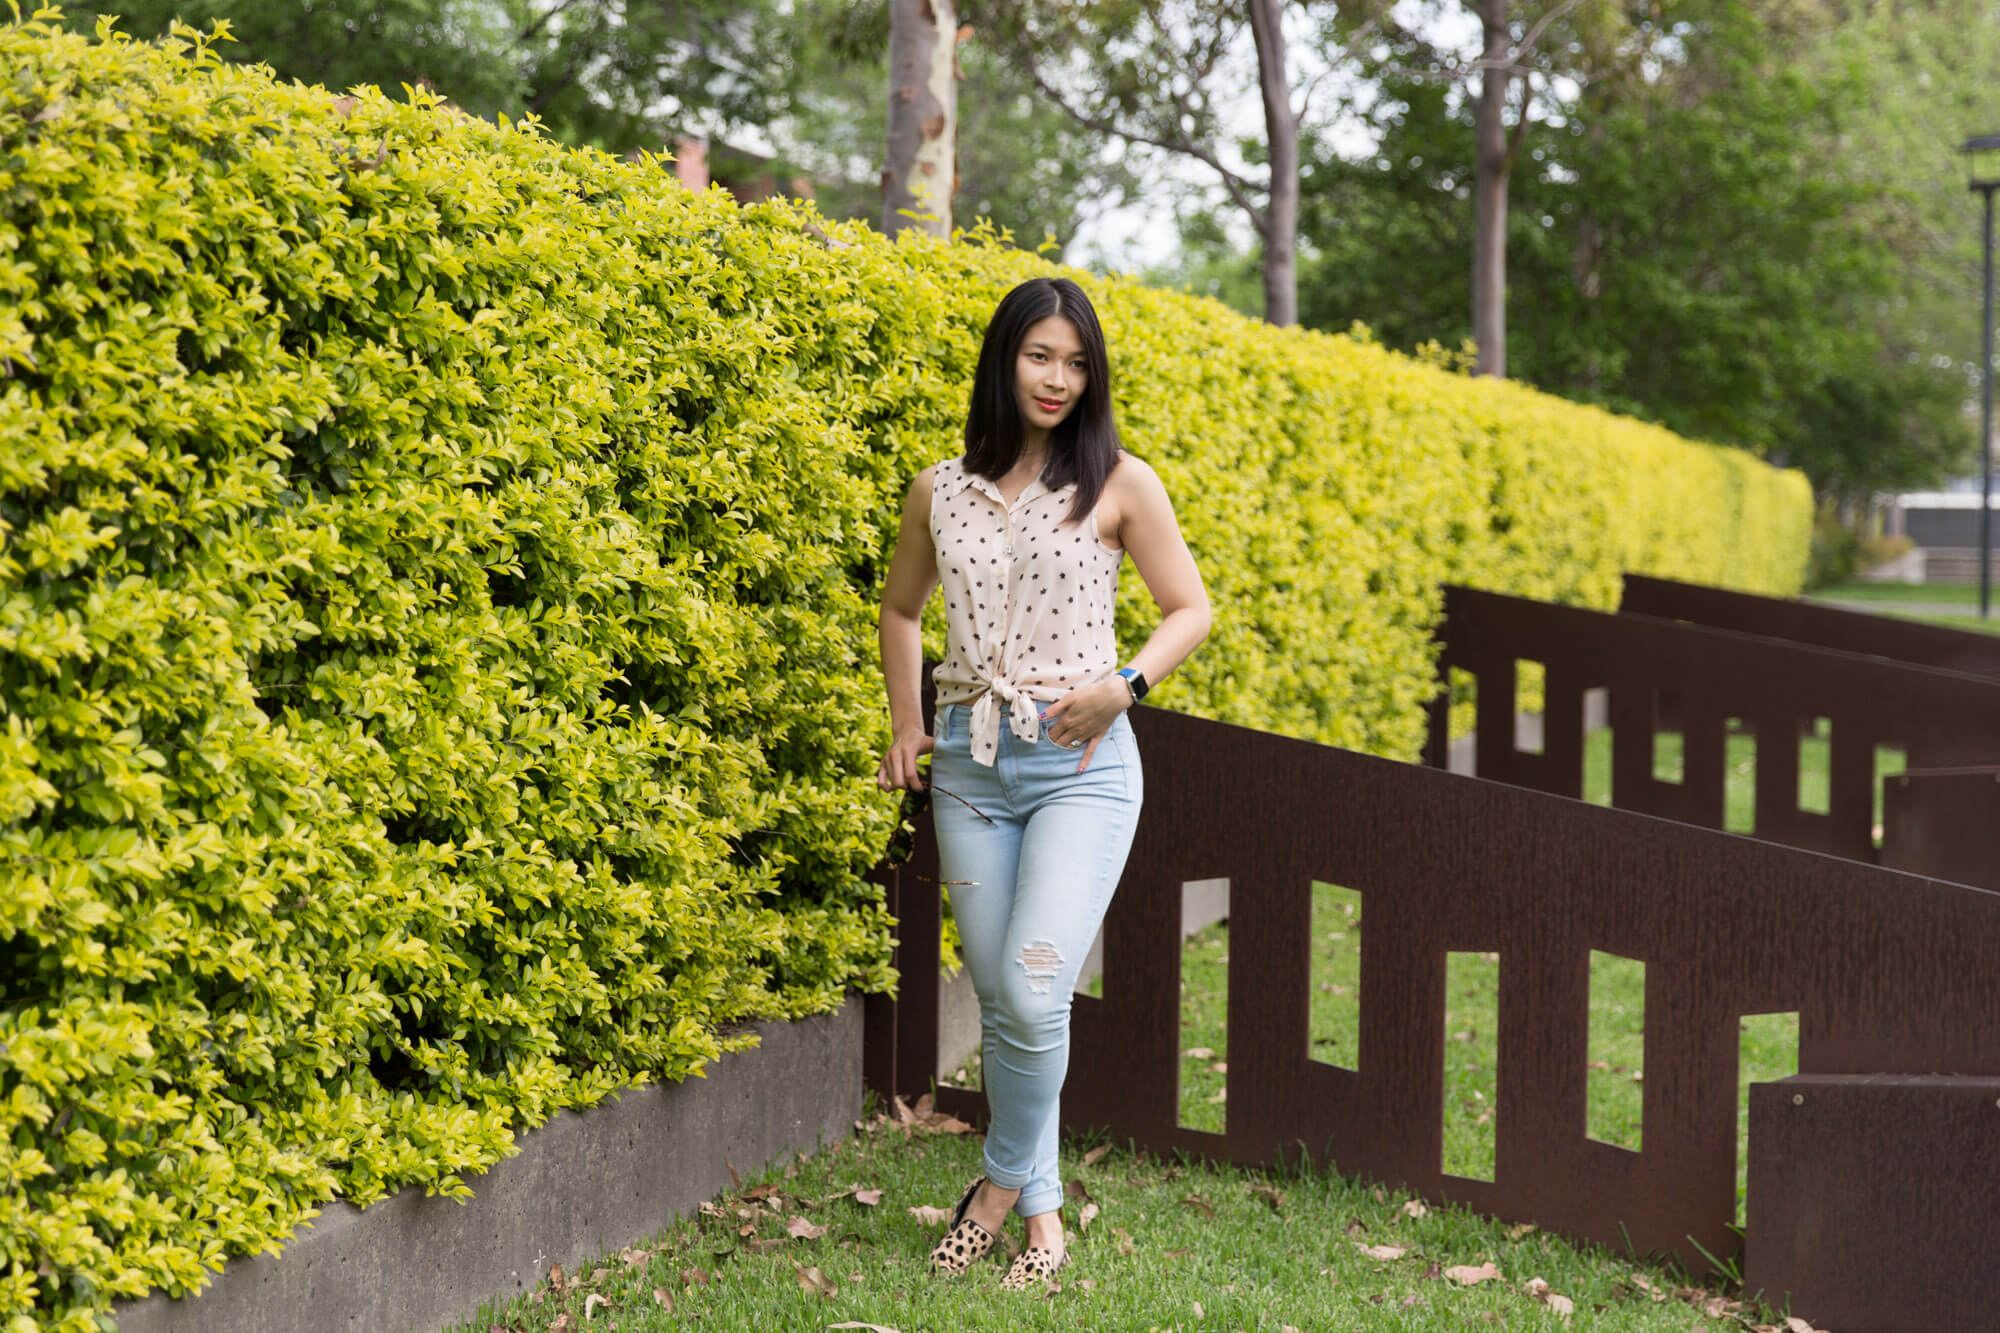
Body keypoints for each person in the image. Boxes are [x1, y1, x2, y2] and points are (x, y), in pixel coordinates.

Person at [875, 276, 1211, 1289]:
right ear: (1003, 360)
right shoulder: (940, 488)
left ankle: (993, 1187)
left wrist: (1124, 685)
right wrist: (905, 725)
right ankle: (1044, 1216)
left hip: (1079, 767)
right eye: (1038, 356)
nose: (1057, 378)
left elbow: (1186, 608)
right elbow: (899, 613)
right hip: (972, 768)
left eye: (1074, 361)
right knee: (1013, 1002)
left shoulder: (1119, 481)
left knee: (1030, 987)